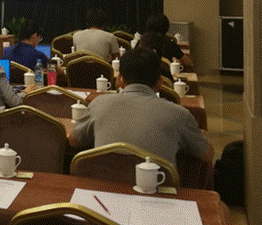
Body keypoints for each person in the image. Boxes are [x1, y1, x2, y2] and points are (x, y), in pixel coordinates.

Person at [70, 48, 212, 166]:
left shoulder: (99, 103)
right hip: (157, 190)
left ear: (120, 80)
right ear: (160, 82)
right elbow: (207, 155)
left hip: (102, 187)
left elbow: (74, 141)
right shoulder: (179, 114)